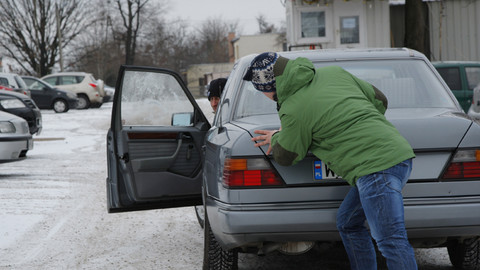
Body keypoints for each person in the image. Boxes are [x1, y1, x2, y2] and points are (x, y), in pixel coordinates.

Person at [243, 52, 417, 270]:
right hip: (398, 155)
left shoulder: (293, 109)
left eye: (262, 92)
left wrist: (278, 136)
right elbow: (380, 100)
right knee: (348, 222)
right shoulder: (334, 73)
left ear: (269, 87)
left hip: (375, 168)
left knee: (391, 240)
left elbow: (287, 155)